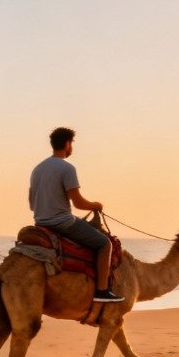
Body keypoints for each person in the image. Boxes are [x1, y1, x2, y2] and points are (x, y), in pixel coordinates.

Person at [29, 127, 124, 303]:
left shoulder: (37, 169)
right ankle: (102, 291)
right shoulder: (67, 168)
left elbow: (31, 204)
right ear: (67, 144)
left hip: (40, 222)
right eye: (71, 143)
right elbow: (79, 203)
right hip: (62, 222)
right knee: (105, 244)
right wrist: (96, 205)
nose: (71, 147)